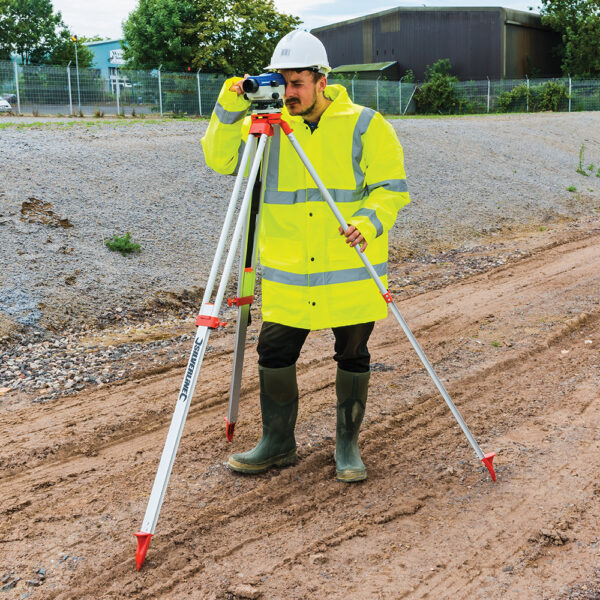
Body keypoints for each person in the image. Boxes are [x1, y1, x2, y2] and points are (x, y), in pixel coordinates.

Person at [201, 30, 410, 482]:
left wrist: (370, 221)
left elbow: (392, 188)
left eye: (297, 83)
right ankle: (277, 443)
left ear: (321, 80)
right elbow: (219, 160)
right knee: (273, 351)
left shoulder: (365, 123)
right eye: (282, 82)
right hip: (289, 271)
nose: (288, 92)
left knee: (353, 354)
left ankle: (347, 445)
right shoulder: (269, 127)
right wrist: (233, 104)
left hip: (349, 268)